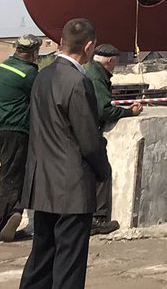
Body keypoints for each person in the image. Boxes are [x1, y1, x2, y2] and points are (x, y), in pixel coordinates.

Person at [18, 19, 110, 289]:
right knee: (69, 263)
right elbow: (88, 140)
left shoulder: (42, 76)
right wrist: (103, 170)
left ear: (61, 42)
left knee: (41, 257)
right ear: (89, 46)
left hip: (43, 181)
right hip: (71, 186)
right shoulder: (78, 82)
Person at [0, 34, 41, 243]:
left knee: (9, 174)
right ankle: (0, 226)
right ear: (34, 52)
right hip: (16, 130)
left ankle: (11, 213)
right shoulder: (28, 72)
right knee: (11, 178)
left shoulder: (4, 67)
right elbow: (42, 94)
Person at [85, 43, 140, 237]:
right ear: (109, 60)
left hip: (81, 131)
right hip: (90, 133)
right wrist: (129, 112)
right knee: (102, 173)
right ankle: (98, 219)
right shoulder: (96, 77)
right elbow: (104, 109)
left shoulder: (90, 71)